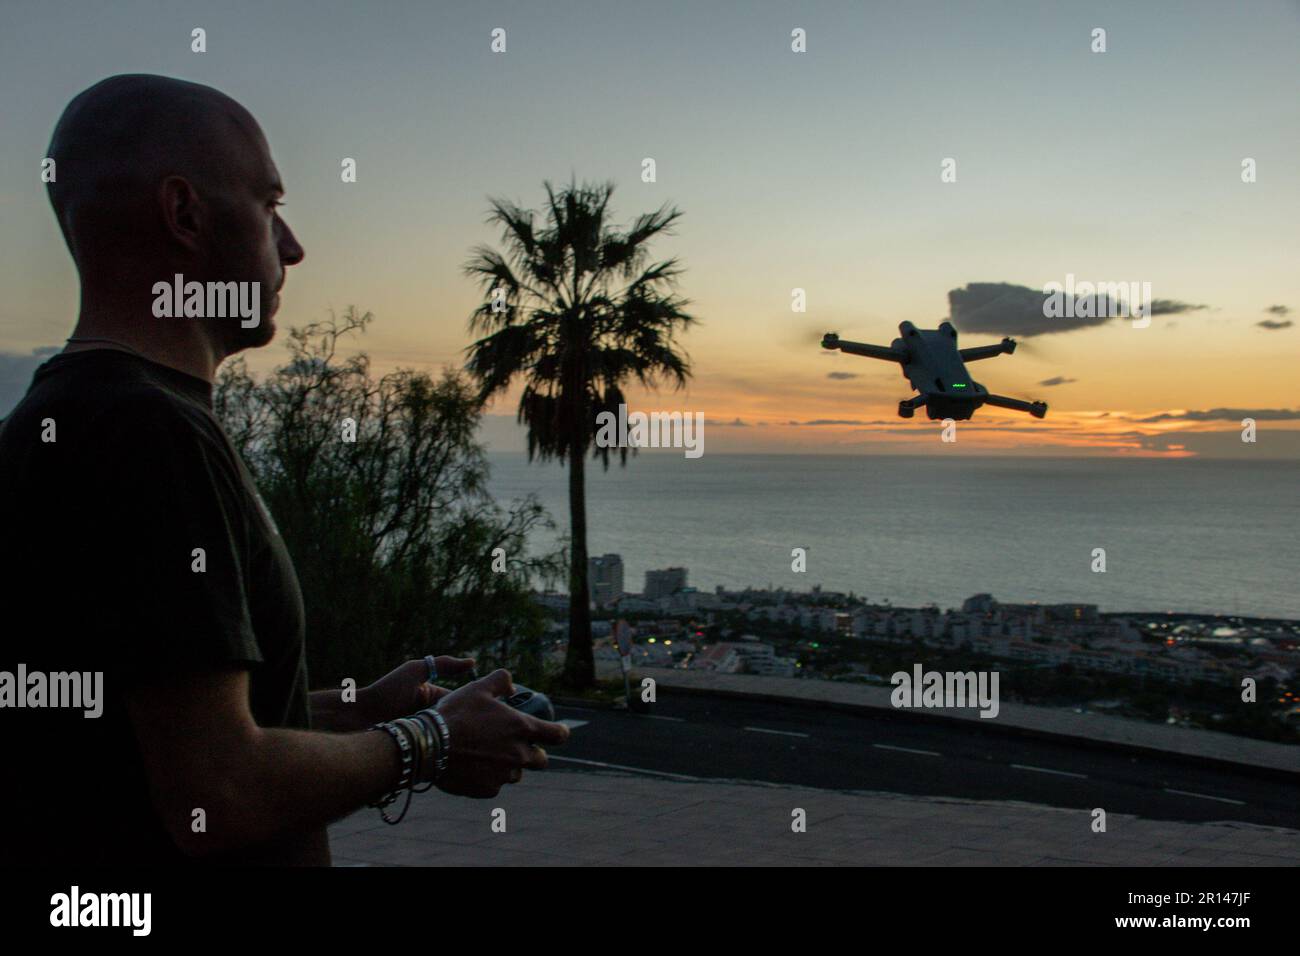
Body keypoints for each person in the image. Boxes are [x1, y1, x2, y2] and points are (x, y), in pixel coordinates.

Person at [0, 74, 568, 866]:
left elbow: (162, 721)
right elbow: (218, 789)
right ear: (185, 215)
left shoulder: (63, 419)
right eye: (270, 206)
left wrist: (359, 710)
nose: (292, 247)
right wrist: (431, 739)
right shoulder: (148, 433)